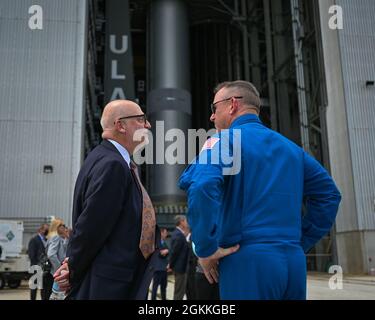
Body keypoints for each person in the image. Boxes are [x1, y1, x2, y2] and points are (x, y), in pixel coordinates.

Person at [178, 80, 342, 300]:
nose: (212, 117)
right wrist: (299, 241)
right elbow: (329, 195)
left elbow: (202, 186)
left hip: (246, 261)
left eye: (214, 108)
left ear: (232, 104)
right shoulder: (292, 149)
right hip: (292, 263)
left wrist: (206, 249)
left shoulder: (223, 141)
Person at [53, 99, 158, 300]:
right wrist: (72, 267)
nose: (147, 125)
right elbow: (92, 226)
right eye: (140, 119)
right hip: (109, 286)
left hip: (110, 279)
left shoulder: (107, 159)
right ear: (120, 125)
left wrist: (71, 264)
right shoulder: (113, 165)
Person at [169, 215, 190, 300]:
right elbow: (174, 252)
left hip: (180, 267)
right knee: (179, 292)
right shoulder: (178, 235)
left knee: (180, 291)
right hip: (180, 268)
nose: (187, 223)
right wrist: (171, 265)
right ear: (181, 222)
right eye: (185, 221)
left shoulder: (179, 234)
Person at [47, 222, 69, 300]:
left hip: (61, 271)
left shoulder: (61, 238)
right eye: (61, 226)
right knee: (57, 295)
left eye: (64, 225)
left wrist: (67, 237)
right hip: (59, 272)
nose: (64, 227)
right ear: (56, 227)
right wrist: (59, 269)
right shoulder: (56, 237)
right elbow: (51, 254)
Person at [27, 223, 49, 300]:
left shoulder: (46, 240)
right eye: (45, 229)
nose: (47, 231)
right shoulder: (34, 239)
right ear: (40, 230)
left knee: (43, 288)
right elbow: (31, 254)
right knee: (34, 288)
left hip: (44, 268)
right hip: (35, 267)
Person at [151, 227, 169, 300]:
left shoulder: (165, 242)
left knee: (163, 288)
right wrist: (165, 251)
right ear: (161, 233)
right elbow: (159, 253)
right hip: (157, 269)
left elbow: (166, 253)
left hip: (164, 268)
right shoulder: (156, 242)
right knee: (155, 288)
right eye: (165, 232)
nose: (166, 234)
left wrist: (166, 251)